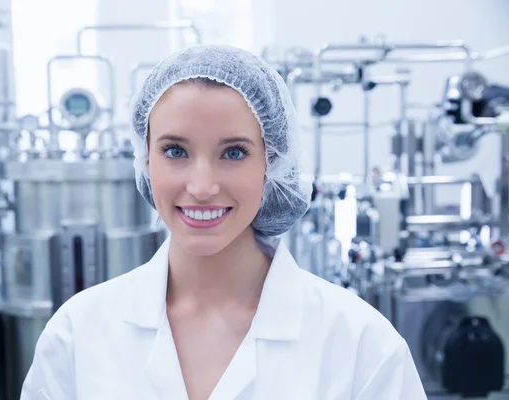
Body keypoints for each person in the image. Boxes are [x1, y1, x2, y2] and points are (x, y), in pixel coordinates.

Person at [21, 45, 427, 399]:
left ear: (273, 164)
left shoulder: (362, 347)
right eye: (175, 151)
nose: (201, 187)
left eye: (233, 153)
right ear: (145, 160)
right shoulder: (78, 336)